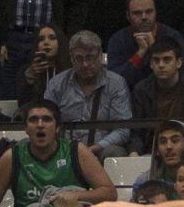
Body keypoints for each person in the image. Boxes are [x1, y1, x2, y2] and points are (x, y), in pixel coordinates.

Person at [44, 30, 132, 161]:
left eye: (90, 57)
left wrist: (94, 149)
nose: (85, 64)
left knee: (115, 153)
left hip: (101, 151)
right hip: (64, 151)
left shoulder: (116, 83)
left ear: (100, 56)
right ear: (71, 58)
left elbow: (122, 130)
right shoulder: (56, 84)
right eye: (79, 58)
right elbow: (46, 122)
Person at [106, 0, 184, 91]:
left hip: (167, 95)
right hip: (128, 97)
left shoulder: (173, 36)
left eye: (149, 11)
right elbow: (115, 82)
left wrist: (154, 49)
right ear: (128, 16)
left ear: (156, 12)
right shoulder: (118, 40)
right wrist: (140, 53)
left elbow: (181, 74)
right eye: (137, 13)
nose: (144, 17)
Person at [130, 38, 184, 153]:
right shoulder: (141, 90)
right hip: (151, 150)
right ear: (151, 64)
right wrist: (134, 152)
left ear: (179, 63)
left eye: (167, 60)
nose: (161, 65)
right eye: (156, 60)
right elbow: (136, 130)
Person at [15, 23, 70, 107]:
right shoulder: (26, 71)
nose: (46, 43)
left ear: (60, 42)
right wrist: (30, 77)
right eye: (41, 39)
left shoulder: (70, 69)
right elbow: (23, 105)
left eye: (52, 38)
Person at [133, 120, 184, 186]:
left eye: (175, 141)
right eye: (163, 142)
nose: (168, 146)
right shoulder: (145, 181)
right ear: (156, 149)